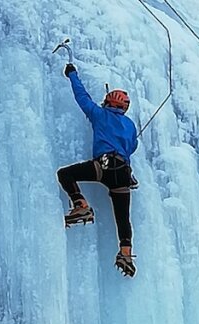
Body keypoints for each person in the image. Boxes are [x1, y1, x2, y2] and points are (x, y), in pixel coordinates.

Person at [56, 63, 138, 277]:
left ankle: (81, 204)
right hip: (123, 173)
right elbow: (132, 147)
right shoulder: (130, 126)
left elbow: (81, 97)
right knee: (123, 217)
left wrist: (72, 74)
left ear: (108, 102)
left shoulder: (99, 114)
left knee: (65, 175)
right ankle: (125, 253)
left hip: (104, 165)